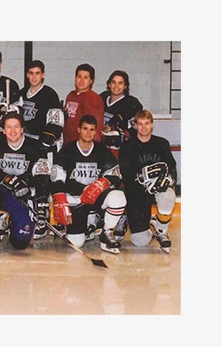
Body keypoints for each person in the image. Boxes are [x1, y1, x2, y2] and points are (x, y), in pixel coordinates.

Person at [51, 115, 127, 254]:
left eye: (92, 130)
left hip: (95, 197)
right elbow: (57, 179)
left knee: (118, 197)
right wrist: (61, 199)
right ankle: (86, 223)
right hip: (76, 200)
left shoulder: (101, 150)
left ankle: (106, 233)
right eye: (85, 129)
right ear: (78, 129)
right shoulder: (67, 150)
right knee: (77, 242)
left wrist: (100, 184)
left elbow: (116, 174)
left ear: (95, 132)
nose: (88, 133)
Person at [0, 112, 50, 256]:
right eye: (8, 127)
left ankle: (10, 223)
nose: (13, 131)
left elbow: (43, 177)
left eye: (16, 127)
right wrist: (11, 181)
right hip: (3, 193)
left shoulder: (36, 147)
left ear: (22, 129)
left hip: (23, 196)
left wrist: (42, 205)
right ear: (3, 130)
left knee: (20, 242)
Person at [11, 60, 64, 239]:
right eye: (30, 73)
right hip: (26, 144)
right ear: (27, 75)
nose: (34, 77)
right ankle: (33, 218)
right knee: (29, 182)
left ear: (42, 75)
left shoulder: (49, 94)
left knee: (44, 181)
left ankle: (44, 221)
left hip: (43, 146)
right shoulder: (21, 94)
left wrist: (44, 144)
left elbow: (56, 123)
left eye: (37, 73)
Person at [118, 110, 177, 253]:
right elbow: (126, 174)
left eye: (147, 124)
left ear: (152, 125)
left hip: (158, 188)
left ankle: (161, 231)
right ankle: (148, 224)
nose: (143, 127)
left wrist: (169, 180)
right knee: (140, 241)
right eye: (140, 124)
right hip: (137, 192)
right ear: (135, 126)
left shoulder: (162, 143)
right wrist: (144, 185)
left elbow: (172, 168)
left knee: (169, 195)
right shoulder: (127, 146)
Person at [100, 70, 143, 155]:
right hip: (101, 147)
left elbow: (136, 128)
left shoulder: (131, 102)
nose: (116, 86)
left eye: (120, 83)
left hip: (121, 151)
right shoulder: (102, 98)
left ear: (125, 86)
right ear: (109, 84)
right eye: (113, 82)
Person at [63, 64, 104, 145]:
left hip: (82, 145)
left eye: (85, 77)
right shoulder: (70, 95)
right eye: (79, 76)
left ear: (91, 81)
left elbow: (93, 128)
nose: (81, 81)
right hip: (68, 142)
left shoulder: (93, 99)